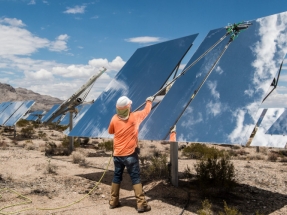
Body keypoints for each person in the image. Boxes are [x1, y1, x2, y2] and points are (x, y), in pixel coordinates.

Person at [108, 95, 153, 213]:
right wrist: (149, 101)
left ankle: (113, 201)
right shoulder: (135, 117)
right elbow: (146, 111)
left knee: (117, 176)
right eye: (130, 105)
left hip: (117, 154)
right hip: (130, 154)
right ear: (128, 107)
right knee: (135, 177)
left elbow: (110, 131)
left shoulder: (114, 118)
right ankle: (141, 204)